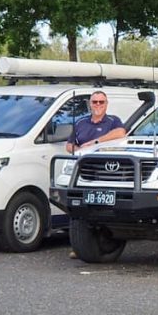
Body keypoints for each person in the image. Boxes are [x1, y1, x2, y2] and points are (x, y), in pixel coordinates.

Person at [65, 91, 126, 259]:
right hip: (86, 173)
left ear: (107, 104)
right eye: (95, 102)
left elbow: (121, 133)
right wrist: (77, 150)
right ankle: (81, 247)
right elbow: (69, 145)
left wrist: (95, 142)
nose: (98, 105)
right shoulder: (80, 123)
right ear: (90, 104)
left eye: (101, 102)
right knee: (81, 211)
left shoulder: (113, 121)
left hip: (109, 173)